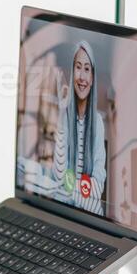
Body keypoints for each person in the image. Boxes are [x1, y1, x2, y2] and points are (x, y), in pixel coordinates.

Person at [53, 40, 108, 215]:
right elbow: (58, 174)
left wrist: (69, 188)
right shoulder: (65, 117)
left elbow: (98, 187)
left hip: (88, 216)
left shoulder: (97, 122)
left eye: (87, 69)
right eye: (78, 67)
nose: (82, 77)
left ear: (92, 78)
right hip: (62, 212)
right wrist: (62, 113)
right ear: (72, 73)